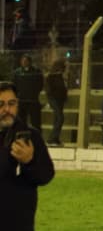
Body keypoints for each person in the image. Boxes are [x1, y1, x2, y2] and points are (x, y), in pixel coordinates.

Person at [1, 80, 55, 231]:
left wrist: (29, 162)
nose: (7, 109)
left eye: (11, 104)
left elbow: (46, 176)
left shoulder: (31, 136)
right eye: (1, 104)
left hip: (19, 223)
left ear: (17, 105)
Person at [12, 56, 42, 133]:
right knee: (21, 121)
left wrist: (34, 93)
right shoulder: (17, 72)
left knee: (36, 121)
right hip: (21, 100)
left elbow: (40, 84)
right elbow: (14, 84)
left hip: (33, 100)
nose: (24, 62)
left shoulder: (36, 71)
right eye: (23, 61)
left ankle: (36, 137)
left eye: (26, 61)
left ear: (30, 62)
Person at [43, 62, 67, 146]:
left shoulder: (60, 77)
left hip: (60, 100)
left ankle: (55, 139)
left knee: (57, 119)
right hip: (54, 99)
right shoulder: (51, 77)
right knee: (60, 118)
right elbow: (49, 90)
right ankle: (51, 138)